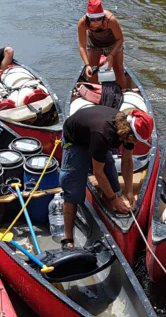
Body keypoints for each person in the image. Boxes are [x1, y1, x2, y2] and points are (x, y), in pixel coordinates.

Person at [58, 105, 154, 247]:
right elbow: (98, 172)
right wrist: (114, 199)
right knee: (73, 191)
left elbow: (127, 161)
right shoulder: (103, 134)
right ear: (129, 135)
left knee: (114, 186)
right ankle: (68, 237)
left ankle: (108, 214)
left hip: (96, 136)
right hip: (75, 140)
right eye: (137, 140)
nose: (137, 144)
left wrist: (128, 191)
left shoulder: (127, 129)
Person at [77, 0, 126, 88]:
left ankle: (122, 92)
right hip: (94, 44)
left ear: (103, 17)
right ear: (88, 18)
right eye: (92, 19)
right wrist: (87, 65)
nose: (95, 22)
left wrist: (111, 55)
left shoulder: (110, 20)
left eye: (99, 19)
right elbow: (82, 46)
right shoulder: (82, 23)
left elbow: (120, 39)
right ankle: (95, 93)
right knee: (91, 71)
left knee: (119, 69)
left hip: (113, 43)